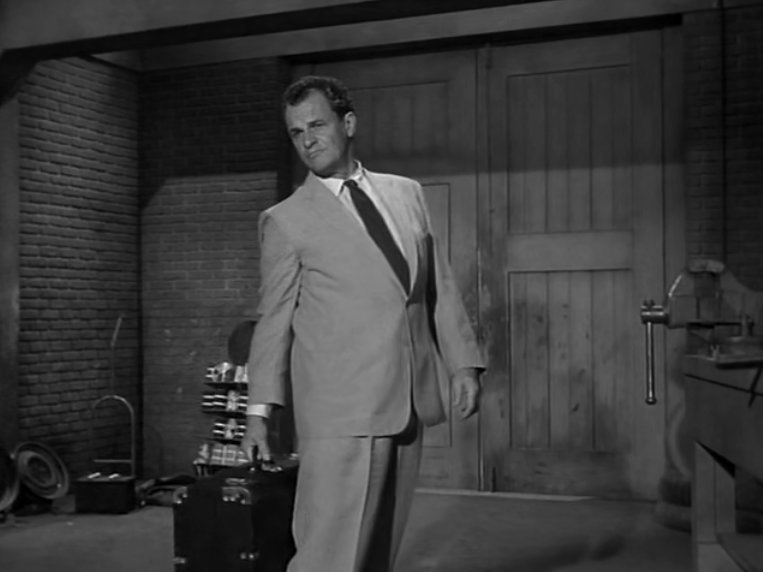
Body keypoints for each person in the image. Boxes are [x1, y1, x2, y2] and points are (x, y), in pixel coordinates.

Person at [240, 75, 486, 572]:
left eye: (316, 125)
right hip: (340, 411)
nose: (307, 141)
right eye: (296, 132)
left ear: (348, 123)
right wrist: (258, 412)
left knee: (376, 553)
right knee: (329, 554)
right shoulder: (286, 219)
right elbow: (273, 323)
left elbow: (436, 285)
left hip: (408, 398)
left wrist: (463, 364)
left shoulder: (406, 194)